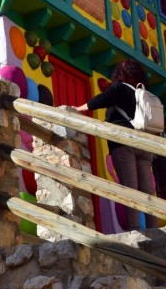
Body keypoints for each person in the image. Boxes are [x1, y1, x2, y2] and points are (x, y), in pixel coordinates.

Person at [62, 59, 157, 230]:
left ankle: (135, 231)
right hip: (145, 146)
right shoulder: (143, 94)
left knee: (130, 188)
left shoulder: (120, 88)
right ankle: (154, 229)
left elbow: (102, 99)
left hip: (124, 144)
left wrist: (79, 108)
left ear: (120, 74)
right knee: (147, 191)